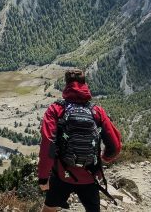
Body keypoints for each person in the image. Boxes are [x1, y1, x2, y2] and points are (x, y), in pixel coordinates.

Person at [37, 69, 122, 212]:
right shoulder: (97, 111)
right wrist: (104, 158)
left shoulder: (56, 109)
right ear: (85, 84)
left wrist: (43, 177)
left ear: (66, 84)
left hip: (62, 175)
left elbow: (48, 144)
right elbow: (115, 145)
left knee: (49, 209)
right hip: (90, 175)